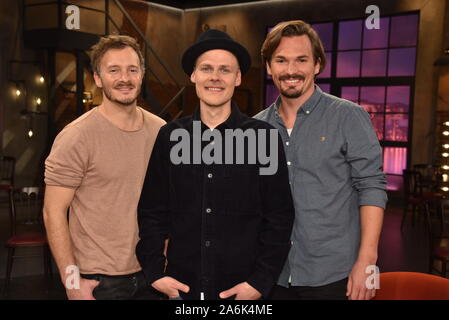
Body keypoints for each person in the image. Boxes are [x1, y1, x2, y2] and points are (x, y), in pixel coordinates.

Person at [136, 29, 294, 300]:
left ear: (238, 77)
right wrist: (155, 273)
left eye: (225, 70)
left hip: (243, 291)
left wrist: (259, 281)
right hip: (181, 290)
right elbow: (152, 211)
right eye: (206, 68)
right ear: (193, 75)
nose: (215, 77)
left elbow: (279, 216)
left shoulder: (264, 138)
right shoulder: (170, 137)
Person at [254, 20, 387, 300]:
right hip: (272, 273)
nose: (291, 70)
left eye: (301, 60)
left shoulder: (348, 117)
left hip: (333, 273)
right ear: (268, 67)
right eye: (281, 60)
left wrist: (367, 261)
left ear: (317, 65)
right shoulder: (256, 128)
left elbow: (372, 186)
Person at [43, 35, 166, 300]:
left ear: (142, 75)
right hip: (99, 281)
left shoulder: (162, 131)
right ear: (98, 78)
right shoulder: (77, 135)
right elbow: (53, 211)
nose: (125, 78)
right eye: (114, 70)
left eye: (132, 70)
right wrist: (72, 282)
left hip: (154, 274)